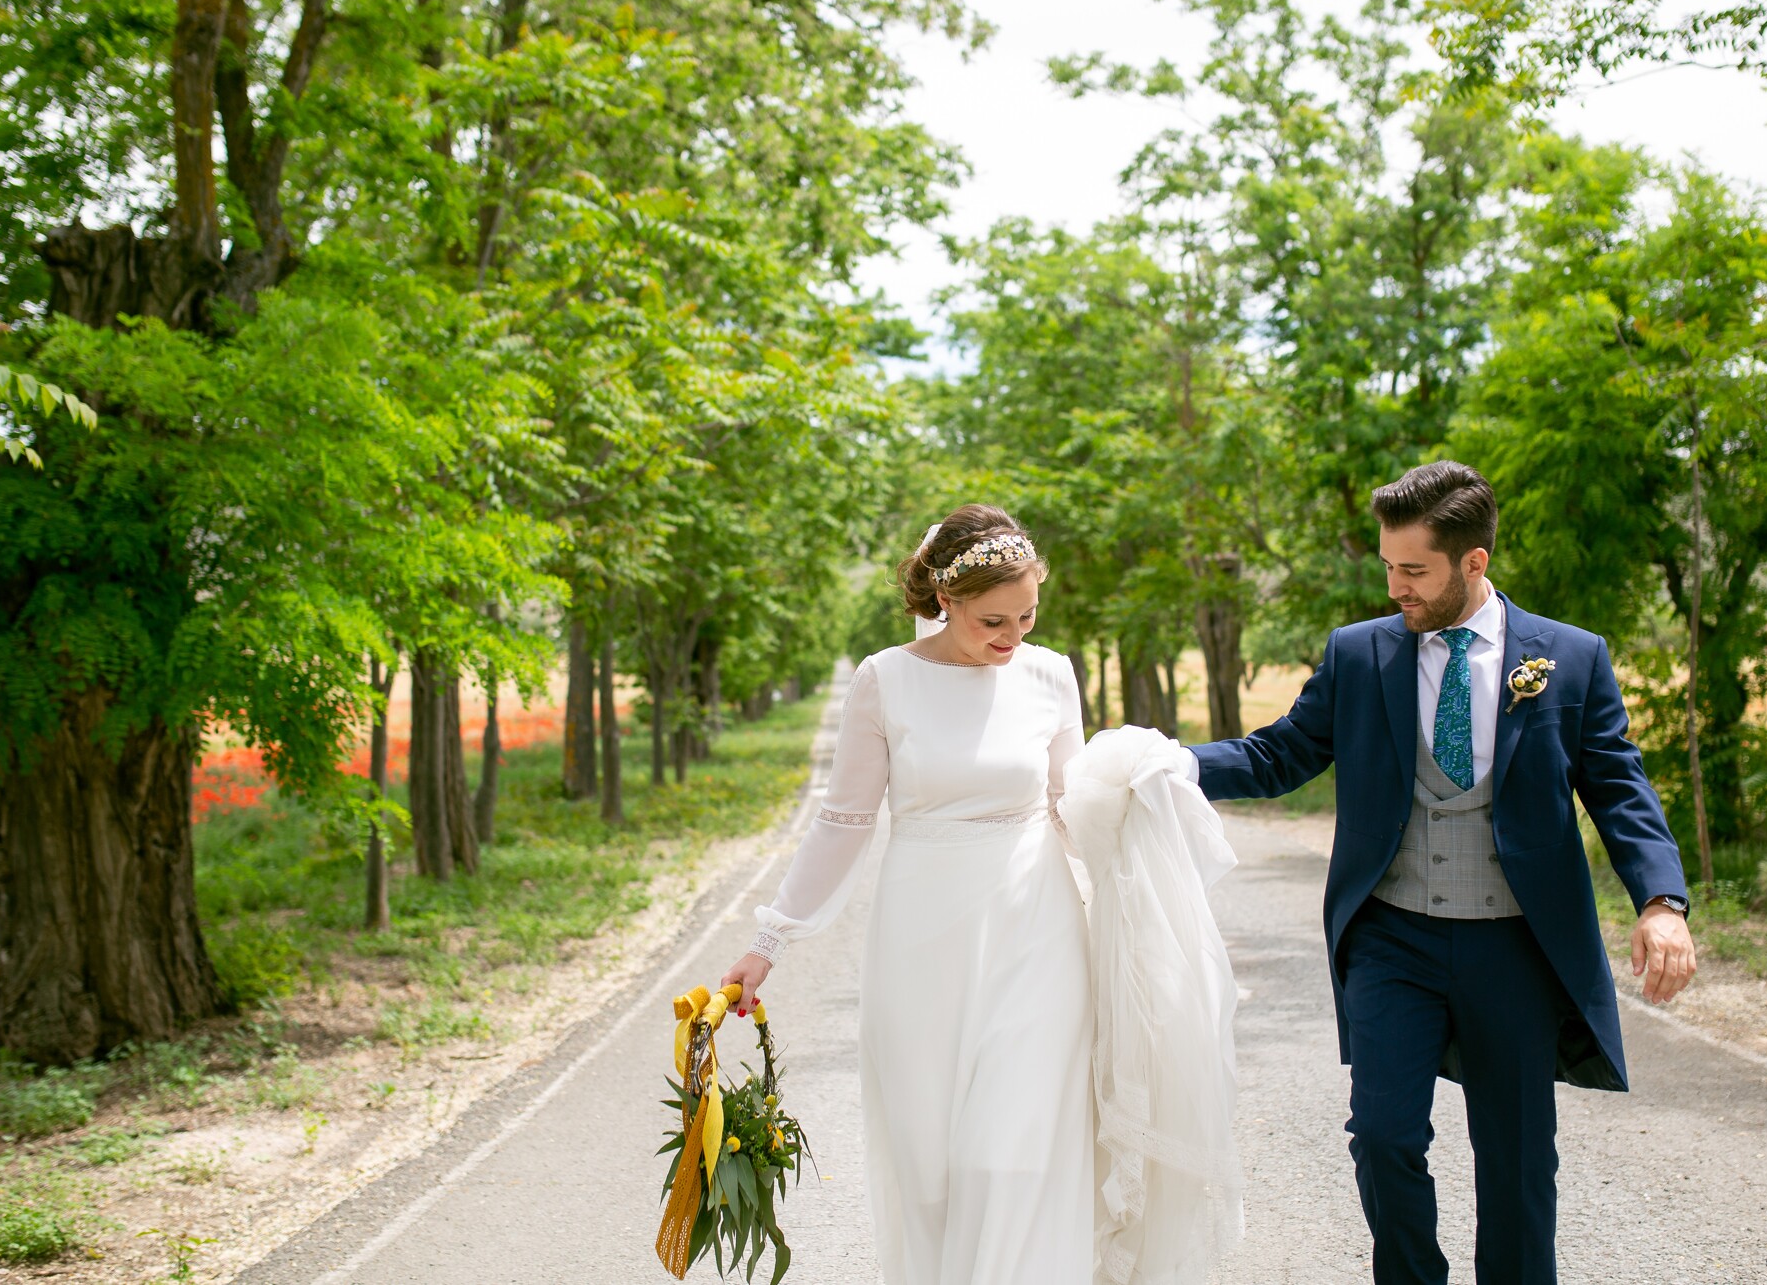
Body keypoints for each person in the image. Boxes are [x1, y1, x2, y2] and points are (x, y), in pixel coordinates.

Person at [1184, 460, 1697, 1285]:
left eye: (1413, 569)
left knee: (1518, 1162)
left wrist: (1662, 901)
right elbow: (1278, 753)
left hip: (1515, 946)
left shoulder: (1569, 656)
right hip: (1393, 936)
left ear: (1474, 562)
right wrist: (1164, 765)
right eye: (1388, 565)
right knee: (1384, 1135)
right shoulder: (1360, 654)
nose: (1396, 586)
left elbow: (1618, 784)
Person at [721, 504, 1094, 1285]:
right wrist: (771, 940)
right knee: (930, 1163)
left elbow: (1074, 807)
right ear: (944, 599)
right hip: (922, 934)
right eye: (994, 619)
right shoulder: (884, 679)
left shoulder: (1052, 673)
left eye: (1028, 615)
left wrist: (1139, 879)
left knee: (1013, 1151)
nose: (1013, 637)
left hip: (1038, 926)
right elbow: (844, 821)